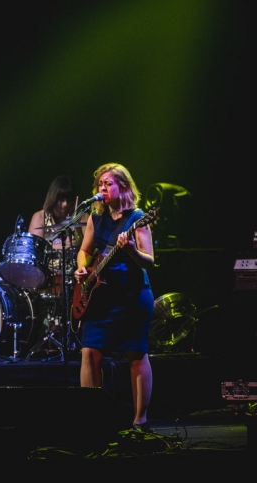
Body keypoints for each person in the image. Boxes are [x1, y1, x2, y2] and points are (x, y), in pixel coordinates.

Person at [73, 163, 154, 431]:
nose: (103, 188)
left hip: (131, 296)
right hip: (100, 297)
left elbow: (149, 261)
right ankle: (92, 417)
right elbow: (84, 250)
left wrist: (131, 249)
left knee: (136, 354)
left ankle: (139, 420)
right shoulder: (96, 219)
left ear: (124, 187)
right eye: (100, 184)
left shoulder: (138, 218)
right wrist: (82, 267)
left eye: (108, 183)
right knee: (89, 352)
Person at [28, 175, 86, 297]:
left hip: (76, 280)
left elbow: (91, 248)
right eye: (60, 199)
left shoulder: (81, 216)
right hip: (48, 282)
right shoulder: (39, 217)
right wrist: (55, 246)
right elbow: (33, 253)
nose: (65, 205)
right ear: (53, 198)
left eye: (69, 200)